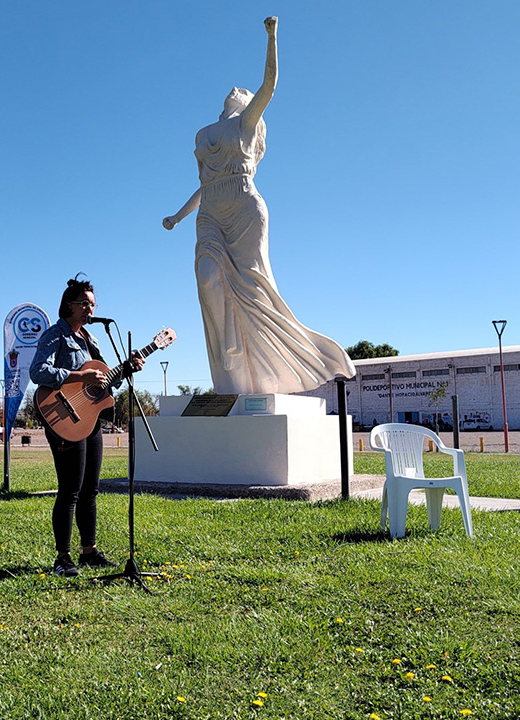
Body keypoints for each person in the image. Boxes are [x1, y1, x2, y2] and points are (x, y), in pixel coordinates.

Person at [163, 16, 353, 395]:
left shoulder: (246, 125)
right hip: (210, 215)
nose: (235, 89)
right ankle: (229, 375)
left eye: (242, 91)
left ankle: (272, 369)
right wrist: (178, 216)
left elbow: (269, 85)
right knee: (207, 280)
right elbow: (205, 185)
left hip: (245, 211)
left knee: (253, 289)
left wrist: (272, 37)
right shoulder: (203, 134)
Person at [29, 276, 144, 577]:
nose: (90, 309)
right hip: (63, 417)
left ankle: (88, 551)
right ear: (69, 304)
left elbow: (106, 381)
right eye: (84, 304)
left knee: (90, 489)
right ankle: (62, 558)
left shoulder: (90, 340)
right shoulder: (57, 335)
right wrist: (81, 378)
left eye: (92, 304)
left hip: (90, 419)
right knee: (70, 490)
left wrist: (129, 366)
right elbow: (38, 371)